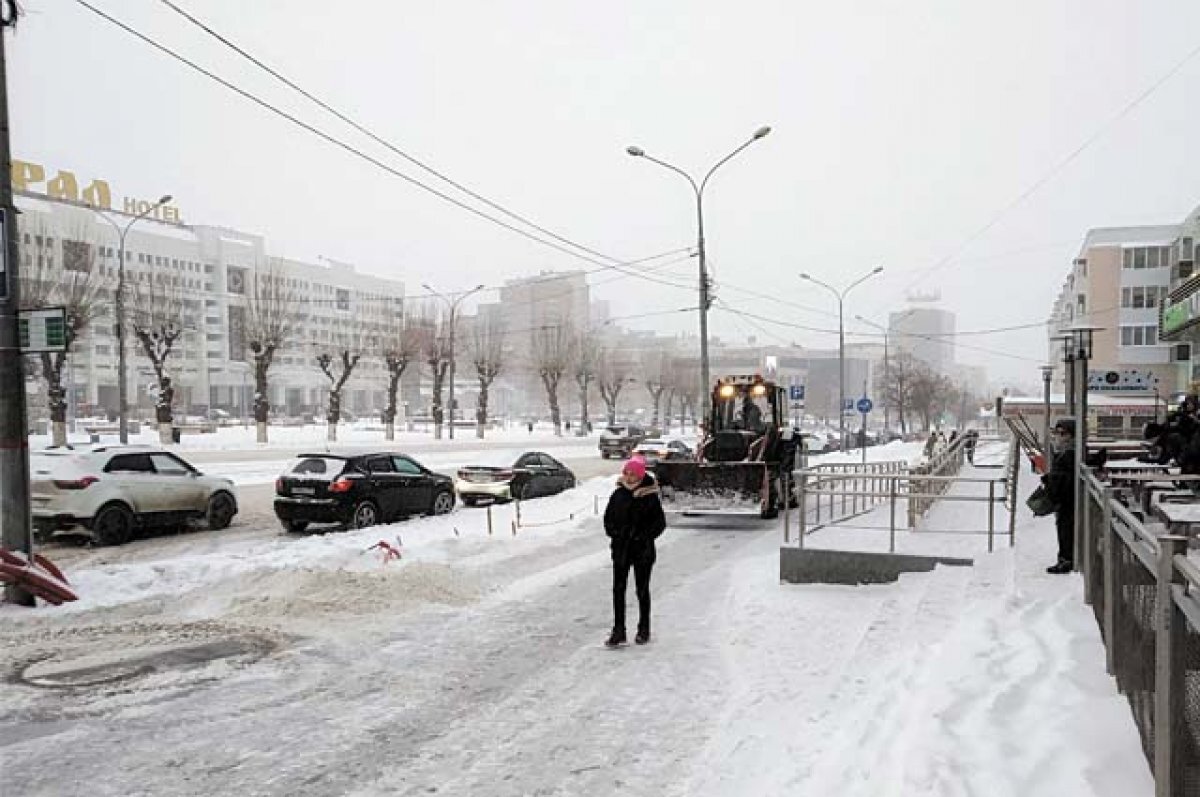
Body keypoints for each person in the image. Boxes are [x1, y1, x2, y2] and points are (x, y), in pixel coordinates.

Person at [603, 455, 666, 647]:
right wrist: (616, 533)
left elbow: (659, 524)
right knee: (618, 590)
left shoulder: (650, 496)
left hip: (642, 551)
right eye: (626, 473)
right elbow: (608, 519)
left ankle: (643, 629)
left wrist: (643, 536)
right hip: (621, 550)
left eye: (633, 474)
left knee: (642, 590)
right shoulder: (618, 495)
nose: (629, 477)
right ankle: (619, 630)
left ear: (640, 475)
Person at [1043, 417, 1077, 574]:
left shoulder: (1070, 454)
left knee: (1066, 528)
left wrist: (1050, 481)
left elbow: (1065, 479)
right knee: (1064, 527)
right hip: (1067, 500)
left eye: (1062, 433)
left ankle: (1066, 559)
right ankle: (1065, 557)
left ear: (1072, 435)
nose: (1058, 436)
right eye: (1056, 432)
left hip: (1068, 501)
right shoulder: (1065, 452)